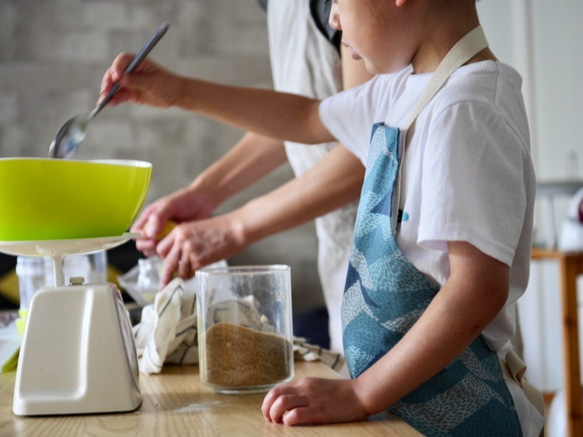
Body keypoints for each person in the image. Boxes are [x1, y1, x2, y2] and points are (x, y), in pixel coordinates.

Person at [100, 0, 544, 435]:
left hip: (461, 412)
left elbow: (477, 291)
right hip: (404, 407)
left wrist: (360, 394)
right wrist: (177, 91)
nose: (331, 17)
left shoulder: (465, 108)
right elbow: (308, 116)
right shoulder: (405, 90)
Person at [129, 0, 371, 354]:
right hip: (343, 264)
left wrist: (233, 228)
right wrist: (205, 193)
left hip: (389, 259)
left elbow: (363, 143)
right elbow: (309, 115)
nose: (336, 18)